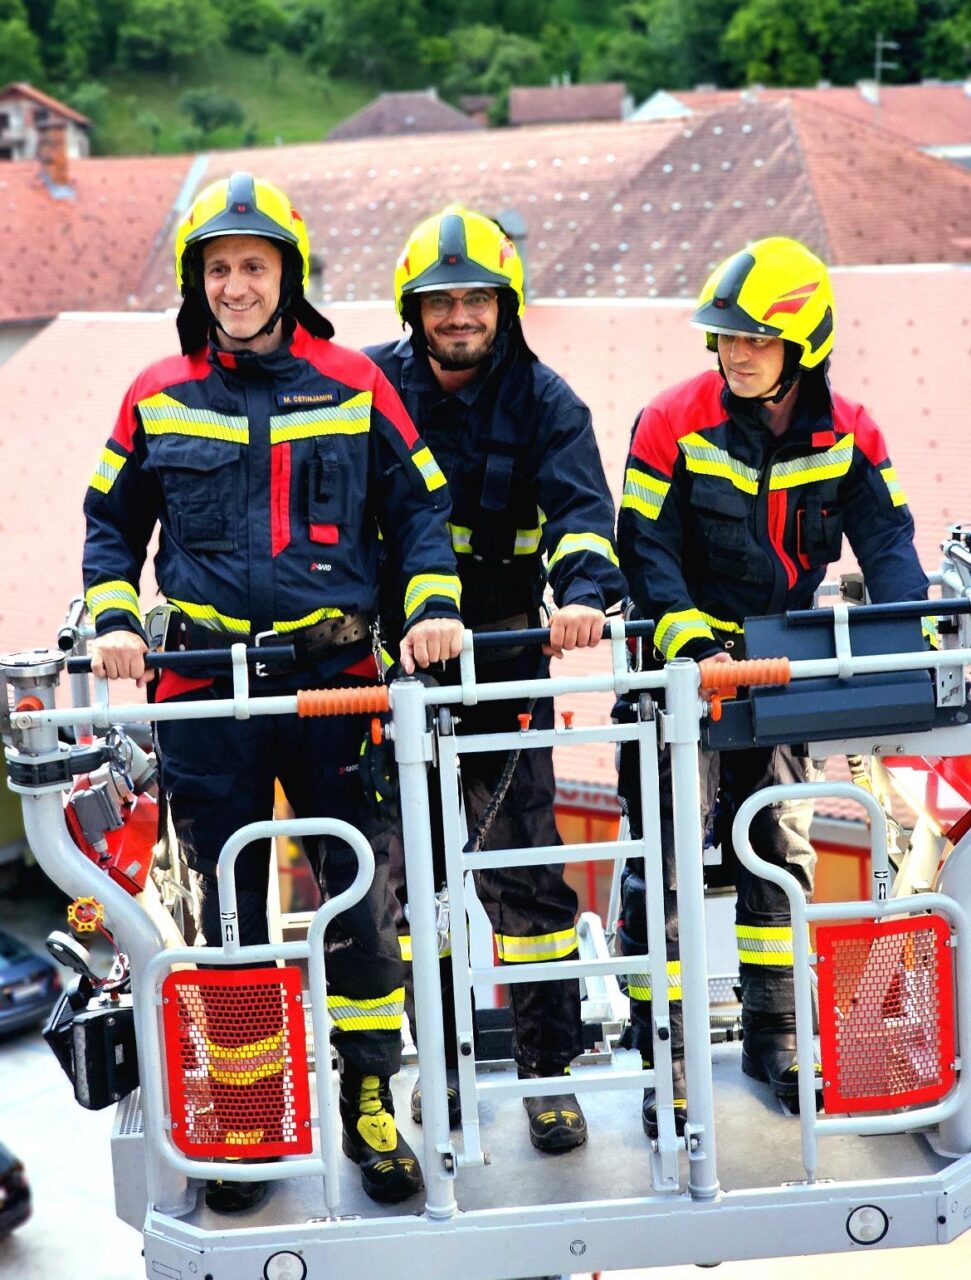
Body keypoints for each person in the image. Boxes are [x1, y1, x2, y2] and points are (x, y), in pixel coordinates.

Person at [82, 172, 464, 1210]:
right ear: (195, 282)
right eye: (218, 268)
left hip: (335, 685)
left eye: (253, 265)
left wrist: (430, 605)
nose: (236, 285)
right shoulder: (156, 392)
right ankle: (248, 1121)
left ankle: (370, 1106)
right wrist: (115, 619)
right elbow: (110, 525)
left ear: (288, 276)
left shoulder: (354, 381)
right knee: (227, 914)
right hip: (205, 690)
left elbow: (420, 512)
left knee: (361, 900)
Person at [615, 236, 928, 1135]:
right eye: (726, 337)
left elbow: (889, 546)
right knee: (665, 867)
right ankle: (667, 1062)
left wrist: (912, 645)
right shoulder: (669, 420)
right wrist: (690, 647)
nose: (736, 352)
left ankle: (776, 1042)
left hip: (778, 669)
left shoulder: (850, 433)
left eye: (756, 338)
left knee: (777, 856)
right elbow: (644, 551)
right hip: (674, 672)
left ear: (804, 345)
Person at [364, 204, 627, 1154]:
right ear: (413, 310)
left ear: (505, 303)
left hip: (506, 659)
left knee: (527, 883)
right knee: (403, 889)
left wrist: (584, 594)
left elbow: (582, 516)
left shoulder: (548, 403)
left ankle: (547, 1079)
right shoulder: (368, 389)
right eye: (441, 301)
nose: (459, 315)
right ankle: (435, 1074)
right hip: (391, 667)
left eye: (476, 297)